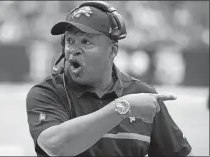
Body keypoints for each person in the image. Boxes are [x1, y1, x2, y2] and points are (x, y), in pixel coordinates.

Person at [26, 1, 193, 156]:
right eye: (70, 41)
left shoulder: (142, 95)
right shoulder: (48, 93)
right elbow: (55, 146)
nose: (74, 50)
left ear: (112, 51)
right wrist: (123, 108)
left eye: (86, 42)